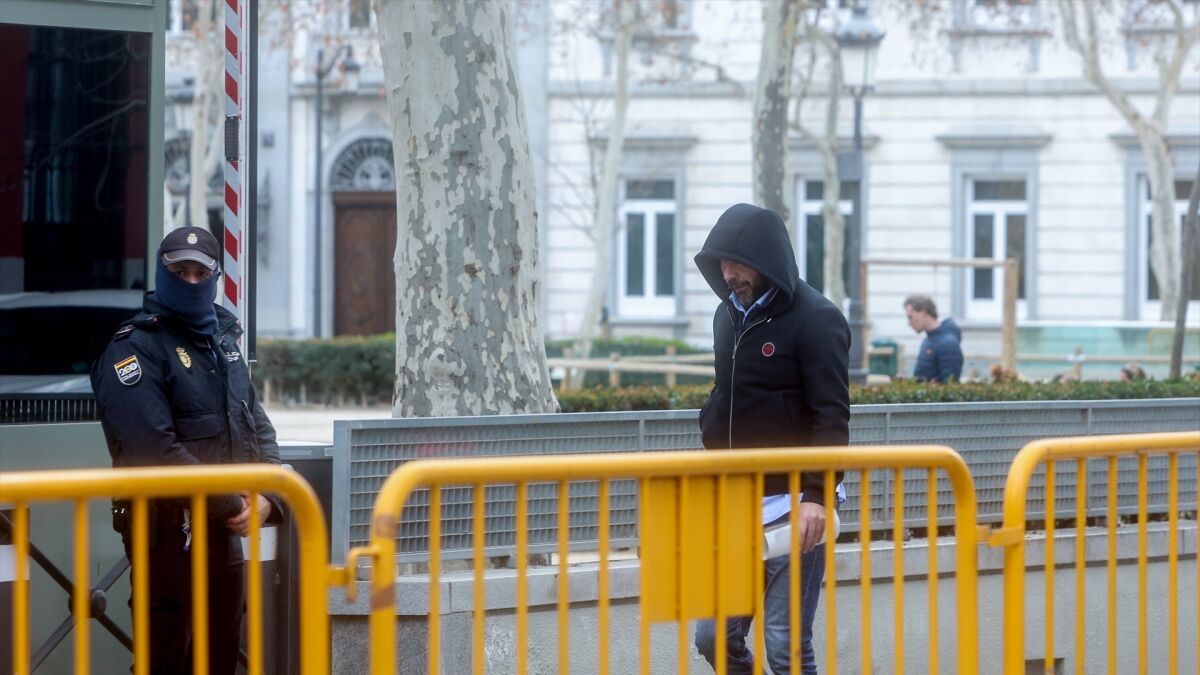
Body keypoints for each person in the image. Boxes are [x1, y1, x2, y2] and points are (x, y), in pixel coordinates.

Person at [91, 226, 281, 674]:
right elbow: (151, 450)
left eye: (201, 273)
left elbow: (257, 426)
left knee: (219, 658)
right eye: (181, 272)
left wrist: (269, 496)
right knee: (168, 660)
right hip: (166, 536)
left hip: (223, 534)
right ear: (162, 272)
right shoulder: (134, 347)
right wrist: (232, 503)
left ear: (215, 277)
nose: (191, 281)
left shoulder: (223, 343)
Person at [693, 203, 849, 675]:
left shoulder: (818, 318)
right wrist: (710, 422)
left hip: (797, 506)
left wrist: (818, 495)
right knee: (713, 637)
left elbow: (831, 415)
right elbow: (727, 391)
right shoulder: (727, 315)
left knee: (785, 646)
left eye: (737, 263)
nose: (728, 274)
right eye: (721, 263)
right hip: (738, 501)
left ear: (765, 260)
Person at [903, 294, 963, 383]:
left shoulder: (948, 343)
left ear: (923, 312)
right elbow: (922, 378)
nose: (909, 323)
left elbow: (950, 383)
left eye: (910, 317)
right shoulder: (928, 340)